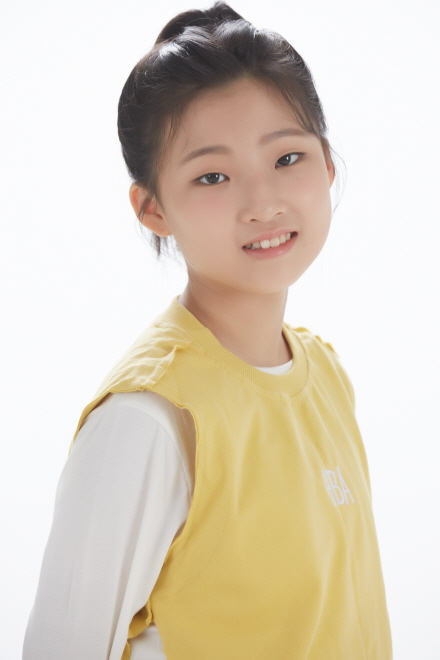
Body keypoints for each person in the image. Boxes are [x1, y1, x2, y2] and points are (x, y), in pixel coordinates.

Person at [22, 2, 393, 659]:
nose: (263, 202)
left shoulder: (326, 375)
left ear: (328, 166)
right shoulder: (149, 417)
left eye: (287, 157)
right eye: (213, 175)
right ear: (153, 208)